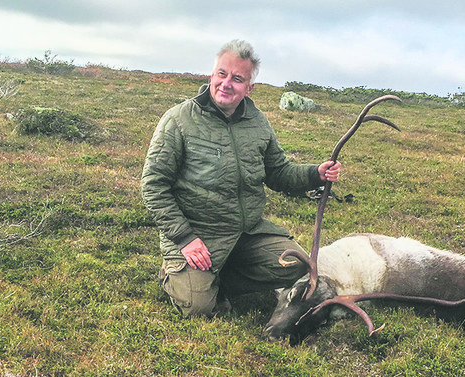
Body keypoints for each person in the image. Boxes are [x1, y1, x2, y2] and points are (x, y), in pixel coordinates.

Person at [141, 39, 341, 317]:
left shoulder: (257, 122)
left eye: (237, 79)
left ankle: (217, 277)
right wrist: (184, 238)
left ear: (249, 88)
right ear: (212, 75)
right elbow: (153, 186)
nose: (226, 84)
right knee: (199, 309)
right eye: (221, 74)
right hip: (199, 233)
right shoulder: (178, 120)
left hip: (246, 232)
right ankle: (175, 274)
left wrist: (314, 174)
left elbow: (278, 172)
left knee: (296, 265)